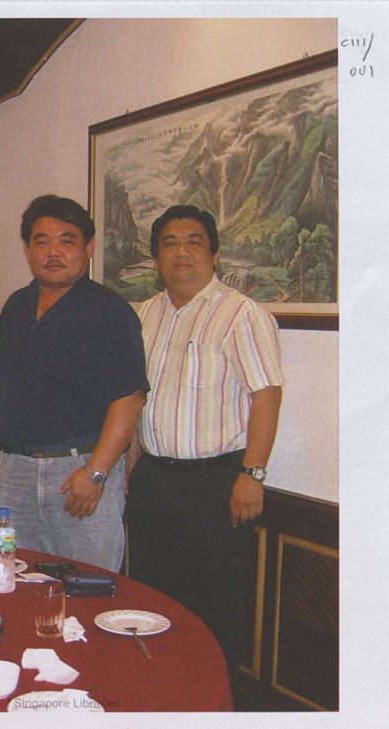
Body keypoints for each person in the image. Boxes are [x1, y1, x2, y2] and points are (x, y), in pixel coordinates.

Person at [126, 205, 283, 689]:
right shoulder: (142, 316)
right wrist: (130, 473)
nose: (182, 252)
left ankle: (214, 704)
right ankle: (161, 698)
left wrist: (251, 475)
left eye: (194, 241)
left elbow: (267, 393)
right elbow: (135, 399)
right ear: (156, 258)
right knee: (153, 600)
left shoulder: (242, 314)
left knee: (215, 606)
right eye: (170, 243)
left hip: (217, 482)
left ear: (214, 253)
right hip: (153, 480)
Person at [0, 195, 147, 572]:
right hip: (15, 472)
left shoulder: (110, 312)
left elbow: (128, 398)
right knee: (12, 582)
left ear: (88, 248)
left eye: (67, 240)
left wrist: (96, 473)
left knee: (87, 587)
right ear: (28, 249)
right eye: (41, 241)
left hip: (79, 471)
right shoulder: (15, 307)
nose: (53, 252)